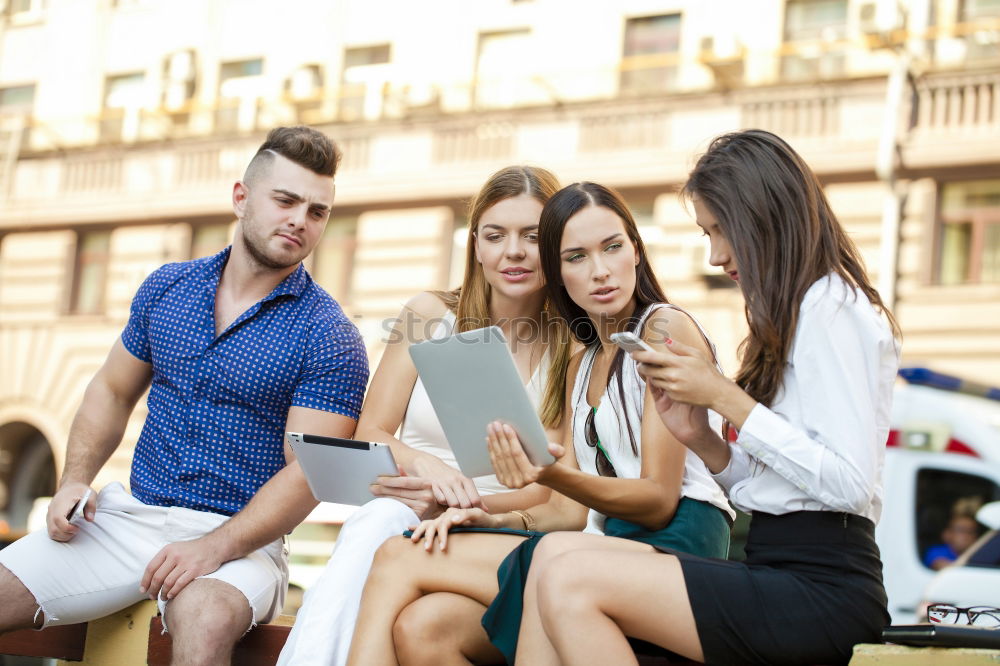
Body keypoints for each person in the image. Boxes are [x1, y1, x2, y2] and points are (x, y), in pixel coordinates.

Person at [516, 129, 901, 666]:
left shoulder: (832, 308)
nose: (716, 255)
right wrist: (700, 437)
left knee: (570, 574)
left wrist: (722, 395)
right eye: (707, 233)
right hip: (776, 565)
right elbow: (768, 487)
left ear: (765, 217)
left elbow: (849, 487)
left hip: (823, 586)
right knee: (552, 562)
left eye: (721, 231)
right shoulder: (792, 316)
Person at [0, 126, 368, 666]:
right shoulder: (167, 287)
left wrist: (213, 548)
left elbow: (309, 473)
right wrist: (75, 479)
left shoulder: (330, 334)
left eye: (317, 211)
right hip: (127, 520)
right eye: (286, 200)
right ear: (241, 197)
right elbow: (110, 388)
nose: (300, 220)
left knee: (206, 617)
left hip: (240, 542)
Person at [345, 182, 733, 666]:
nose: (600, 271)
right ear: (557, 270)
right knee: (425, 628)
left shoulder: (662, 328)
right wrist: (491, 515)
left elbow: (657, 502)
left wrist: (544, 474)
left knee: (396, 558)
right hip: (597, 541)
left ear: (637, 248)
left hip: (676, 542)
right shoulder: (583, 359)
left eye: (612, 247)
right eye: (575, 257)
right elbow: (566, 511)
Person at [277, 165, 567, 666]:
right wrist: (425, 470)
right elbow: (372, 430)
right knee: (381, 520)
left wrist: (469, 504)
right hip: (407, 509)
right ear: (476, 244)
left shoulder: (573, 348)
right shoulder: (428, 313)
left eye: (532, 236)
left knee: (418, 619)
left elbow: (550, 489)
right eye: (495, 235)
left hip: (496, 529)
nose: (512, 251)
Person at [924, 498, 984, 570]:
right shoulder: (937, 551)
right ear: (946, 534)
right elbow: (945, 568)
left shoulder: (979, 555)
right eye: (962, 530)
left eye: (971, 531)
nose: (967, 536)